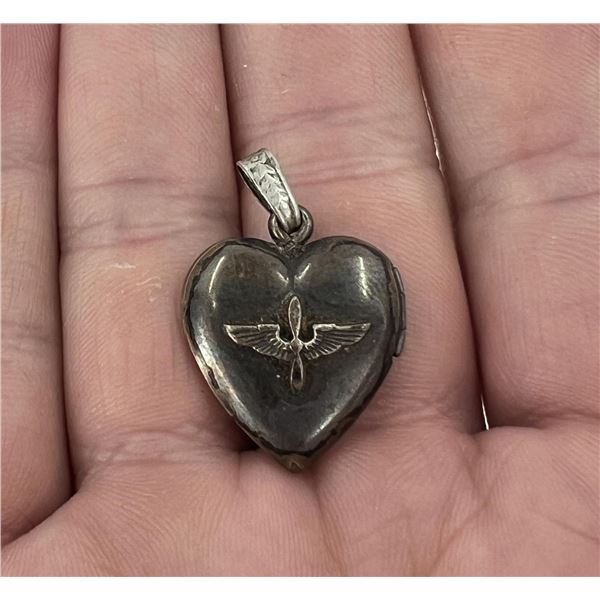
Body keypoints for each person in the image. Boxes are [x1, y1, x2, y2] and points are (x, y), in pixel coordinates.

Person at [2, 24, 598, 575]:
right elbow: (239, 336)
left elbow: (342, 332)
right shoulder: (221, 286)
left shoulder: (358, 279)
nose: (292, 321)